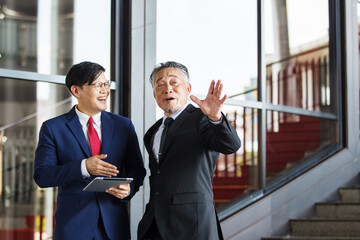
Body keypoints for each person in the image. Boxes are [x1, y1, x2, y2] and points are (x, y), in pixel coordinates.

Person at [33, 61, 146, 240]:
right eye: (97, 85)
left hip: (114, 227)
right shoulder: (53, 128)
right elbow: (42, 176)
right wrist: (84, 167)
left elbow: (137, 169)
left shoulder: (123, 125)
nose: (105, 90)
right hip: (73, 227)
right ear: (76, 91)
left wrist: (128, 188)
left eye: (106, 84)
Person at [137, 61, 241, 240]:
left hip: (192, 224)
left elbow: (230, 145)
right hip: (154, 224)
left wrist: (215, 118)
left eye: (174, 82)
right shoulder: (152, 132)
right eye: (160, 84)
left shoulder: (203, 119)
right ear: (154, 94)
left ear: (188, 87)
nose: (167, 89)